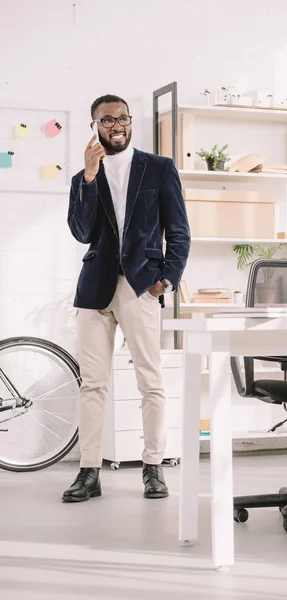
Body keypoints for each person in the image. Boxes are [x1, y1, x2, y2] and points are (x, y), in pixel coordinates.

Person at [63, 94, 190, 502]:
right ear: (94, 125)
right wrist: (88, 174)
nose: (116, 126)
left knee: (150, 381)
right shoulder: (85, 175)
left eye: (122, 118)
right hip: (95, 289)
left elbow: (180, 231)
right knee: (92, 384)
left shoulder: (159, 168)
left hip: (141, 286)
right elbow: (81, 233)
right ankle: (89, 472)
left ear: (130, 122)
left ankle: (154, 467)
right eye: (107, 120)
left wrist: (166, 280)